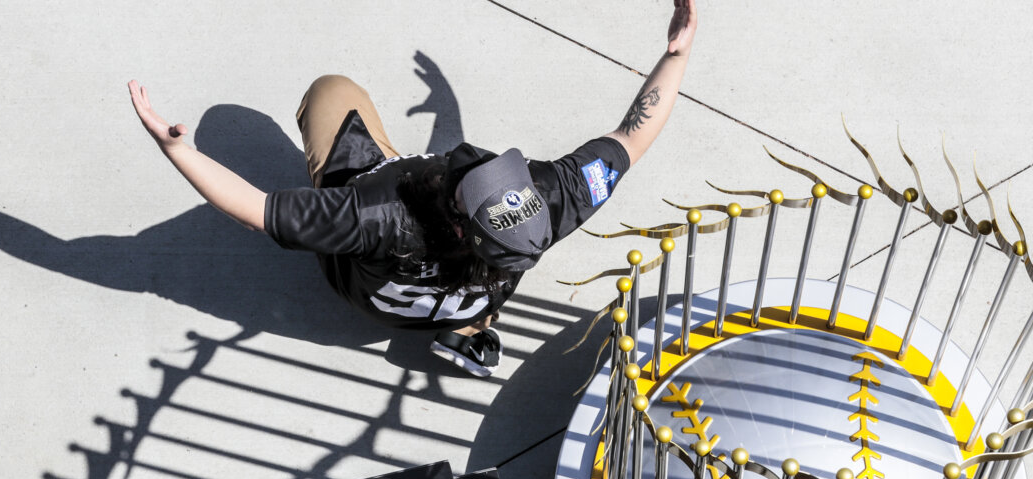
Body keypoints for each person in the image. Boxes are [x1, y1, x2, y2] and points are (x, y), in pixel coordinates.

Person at [129, 0, 697, 377]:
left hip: (366, 290)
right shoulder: (548, 205)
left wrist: (181, 151)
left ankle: (456, 315)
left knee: (332, 90)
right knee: (480, 289)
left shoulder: (378, 214)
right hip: (467, 295)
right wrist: (677, 56)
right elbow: (630, 138)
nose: (480, 162)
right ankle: (472, 333)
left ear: (451, 214)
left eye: (470, 183)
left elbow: (256, 211)